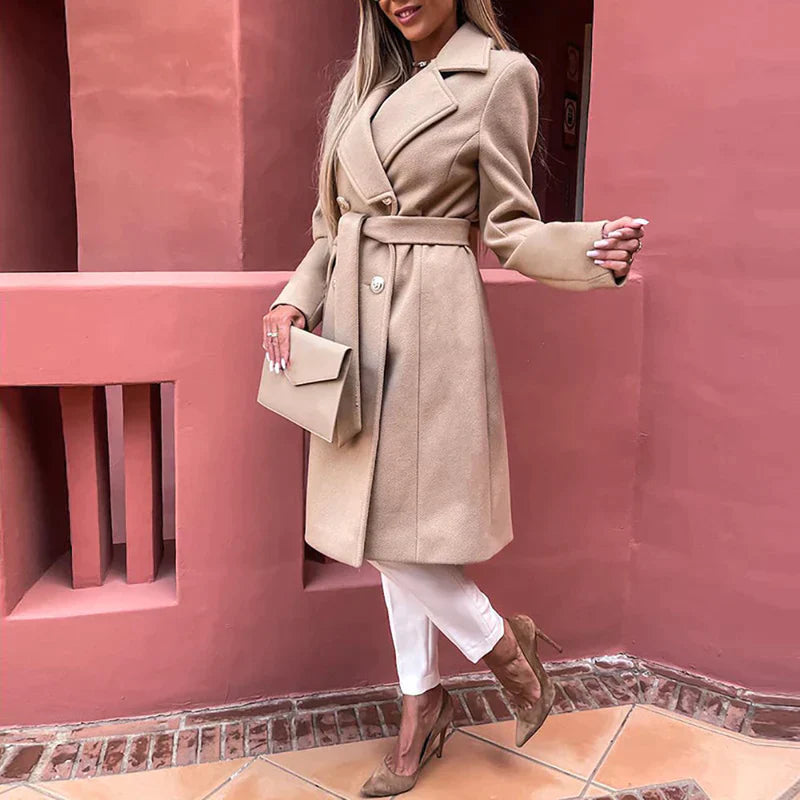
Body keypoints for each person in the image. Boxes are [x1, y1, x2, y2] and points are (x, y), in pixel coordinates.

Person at [262, 1, 647, 795]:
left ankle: (488, 661)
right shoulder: (363, 88)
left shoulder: (502, 77)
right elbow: (330, 226)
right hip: (355, 324)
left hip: (431, 325)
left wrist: (592, 248)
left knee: (395, 529)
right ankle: (450, 682)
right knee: (390, 529)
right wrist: (295, 299)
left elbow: (510, 227)